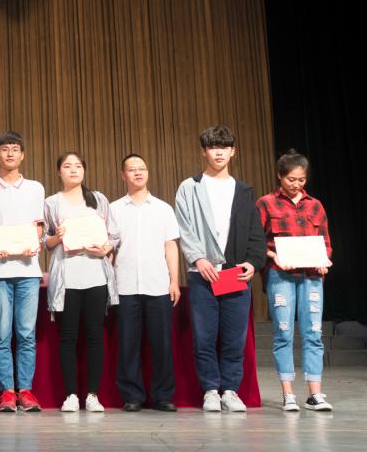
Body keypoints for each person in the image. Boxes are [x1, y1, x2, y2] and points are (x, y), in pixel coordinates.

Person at [175, 125, 266, 413]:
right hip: (203, 273)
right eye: (213, 147)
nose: (219, 152)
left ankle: (231, 390)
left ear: (232, 151)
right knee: (204, 336)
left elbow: (255, 232)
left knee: (234, 337)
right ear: (204, 151)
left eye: (224, 147)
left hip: (234, 273)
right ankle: (211, 390)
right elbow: (183, 227)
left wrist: (253, 262)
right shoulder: (190, 187)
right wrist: (198, 259)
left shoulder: (243, 190)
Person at [256, 150, 333, 412]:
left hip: (312, 275)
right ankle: (288, 394)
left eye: (301, 179)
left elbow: (325, 242)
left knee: (313, 333)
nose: (296, 184)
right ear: (280, 176)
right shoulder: (266, 203)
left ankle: (315, 394)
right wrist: (274, 256)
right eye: (291, 179)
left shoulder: (315, 205)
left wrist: (324, 260)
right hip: (281, 274)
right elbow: (257, 242)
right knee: (284, 332)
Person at [0, 131, 46, 413]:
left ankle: (25, 391)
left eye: (15, 149)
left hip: (29, 270)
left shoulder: (35, 188)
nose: (9, 153)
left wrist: (33, 242)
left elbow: (39, 227)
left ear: (22, 155)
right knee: (2, 335)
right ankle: (7, 391)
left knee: (27, 334)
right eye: (4, 149)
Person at [44, 152, 116, 413]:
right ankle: (71, 395)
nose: (73, 170)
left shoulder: (98, 199)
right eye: (67, 166)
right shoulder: (52, 203)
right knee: (68, 337)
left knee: (95, 336)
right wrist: (57, 237)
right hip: (67, 280)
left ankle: (93, 395)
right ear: (59, 171)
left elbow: (113, 236)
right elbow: (45, 242)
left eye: (77, 166)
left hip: (96, 277)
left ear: (84, 170)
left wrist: (106, 248)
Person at [107, 154, 180, 413]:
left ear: (148, 173)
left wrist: (174, 280)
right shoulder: (114, 209)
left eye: (142, 168)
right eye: (132, 169)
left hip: (157, 284)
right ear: (123, 175)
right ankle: (132, 395)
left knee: (162, 344)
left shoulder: (163, 208)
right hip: (125, 285)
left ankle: (163, 396)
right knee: (128, 344)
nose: (138, 173)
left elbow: (170, 246)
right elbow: (110, 249)